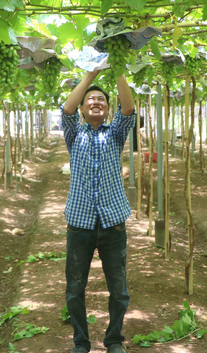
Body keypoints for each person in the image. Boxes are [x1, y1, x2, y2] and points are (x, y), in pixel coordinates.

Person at [60, 68, 135, 353]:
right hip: (80, 225)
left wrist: (116, 71)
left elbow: (128, 109)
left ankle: (114, 340)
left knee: (119, 290)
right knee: (75, 289)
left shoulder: (115, 134)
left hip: (113, 224)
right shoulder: (72, 133)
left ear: (107, 109)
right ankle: (81, 342)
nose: (95, 102)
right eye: (90, 99)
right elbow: (66, 109)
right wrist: (90, 77)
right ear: (82, 107)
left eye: (101, 100)